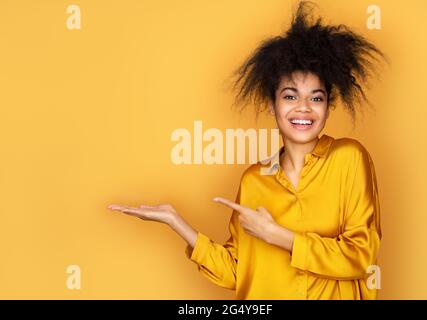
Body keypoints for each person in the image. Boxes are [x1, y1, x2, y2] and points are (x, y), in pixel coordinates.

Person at [107, 1, 386, 299]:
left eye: (316, 98)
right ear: (272, 104)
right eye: (290, 96)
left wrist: (279, 236)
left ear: (328, 106)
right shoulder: (254, 180)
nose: (303, 108)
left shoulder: (349, 158)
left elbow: (361, 256)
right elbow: (238, 272)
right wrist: (176, 222)